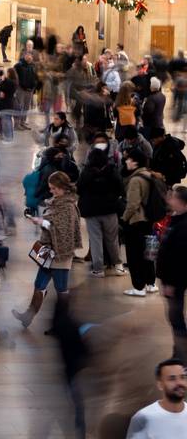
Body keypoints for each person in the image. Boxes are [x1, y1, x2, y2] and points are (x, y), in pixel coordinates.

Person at [12, 171, 82, 328]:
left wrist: (41, 222)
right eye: (51, 188)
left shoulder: (68, 206)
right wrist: (41, 221)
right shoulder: (57, 201)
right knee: (39, 284)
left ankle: (63, 325)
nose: (52, 191)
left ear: (63, 187)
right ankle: (28, 317)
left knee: (61, 290)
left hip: (61, 254)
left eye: (55, 188)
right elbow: (53, 222)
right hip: (48, 252)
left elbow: (63, 229)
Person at [77, 147, 126, 278]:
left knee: (95, 239)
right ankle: (118, 265)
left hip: (91, 211)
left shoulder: (86, 172)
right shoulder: (111, 170)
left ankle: (98, 269)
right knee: (112, 239)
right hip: (110, 210)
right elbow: (121, 188)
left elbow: (79, 189)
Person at [122, 149, 163, 297]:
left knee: (134, 256)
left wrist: (124, 219)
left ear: (135, 162)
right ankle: (151, 284)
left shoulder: (135, 180)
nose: (126, 161)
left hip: (137, 221)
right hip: (150, 220)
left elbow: (133, 204)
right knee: (148, 254)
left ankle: (138, 287)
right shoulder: (151, 175)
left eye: (128, 159)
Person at [158, 186, 187, 360]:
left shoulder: (183, 226)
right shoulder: (175, 219)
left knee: (176, 319)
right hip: (172, 279)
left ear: (182, 202)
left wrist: (170, 283)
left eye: (173, 198)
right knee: (175, 318)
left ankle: (181, 356)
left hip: (175, 281)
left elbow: (180, 259)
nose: (169, 200)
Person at [125, 358, 187, 437]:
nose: (179, 383)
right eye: (172, 379)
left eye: (182, 377)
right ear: (160, 385)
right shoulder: (143, 418)